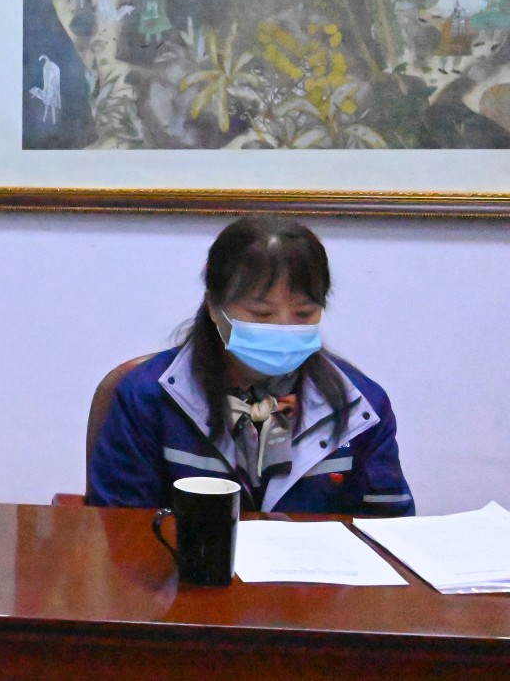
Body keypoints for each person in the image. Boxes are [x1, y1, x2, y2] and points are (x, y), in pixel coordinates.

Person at [87, 215, 412, 515]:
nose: (284, 328)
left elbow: (389, 529)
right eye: (262, 314)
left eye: (304, 314)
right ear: (215, 307)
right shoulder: (147, 398)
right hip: (186, 560)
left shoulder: (359, 406)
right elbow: (119, 529)